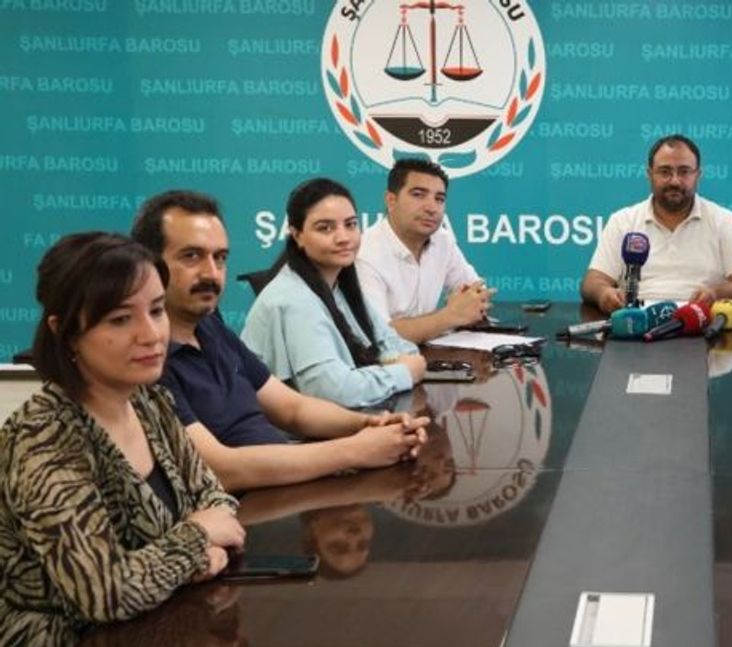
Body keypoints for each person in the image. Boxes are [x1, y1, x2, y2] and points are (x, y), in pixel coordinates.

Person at [0, 232, 244, 626]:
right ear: (65, 331)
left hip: (161, 629)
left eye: (157, 310)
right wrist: (195, 543)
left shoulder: (150, 401)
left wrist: (180, 557)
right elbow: (107, 594)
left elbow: (215, 498)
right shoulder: (42, 438)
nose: (151, 334)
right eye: (120, 319)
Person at [131, 191, 429, 492]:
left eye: (219, 258)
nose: (211, 273)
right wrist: (356, 450)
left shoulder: (211, 328)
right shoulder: (146, 358)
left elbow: (292, 409)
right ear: (148, 264)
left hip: (285, 486)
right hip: (247, 503)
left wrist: (369, 425)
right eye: (191, 256)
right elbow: (219, 469)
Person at [242, 178, 427, 408]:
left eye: (350, 224)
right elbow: (330, 390)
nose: (343, 237)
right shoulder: (294, 300)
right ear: (297, 235)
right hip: (284, 428)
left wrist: (393, 364)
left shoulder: (339, 285)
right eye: (325, 228)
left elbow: (397, 345)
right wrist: (401, 373)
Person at [580, 134, 732, 311]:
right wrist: (604, 294)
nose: (675, 181)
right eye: (665, 172)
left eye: (684, 172)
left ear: (698, 175)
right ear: (650, 174)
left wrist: (716, 293)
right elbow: (592, 282)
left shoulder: (724, 220)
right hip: (637, 322)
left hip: (701, 321)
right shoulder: (622, 221)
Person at [356, 159, 494, 343]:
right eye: (418, 195)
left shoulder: (442, 240)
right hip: (384, 360)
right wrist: (450, 315)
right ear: (391, 200)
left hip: (430, 354)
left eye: (439, 199)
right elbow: (381, 336)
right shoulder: (365, 255)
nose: (431, 208)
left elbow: (477, 294)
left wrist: (469, 303)